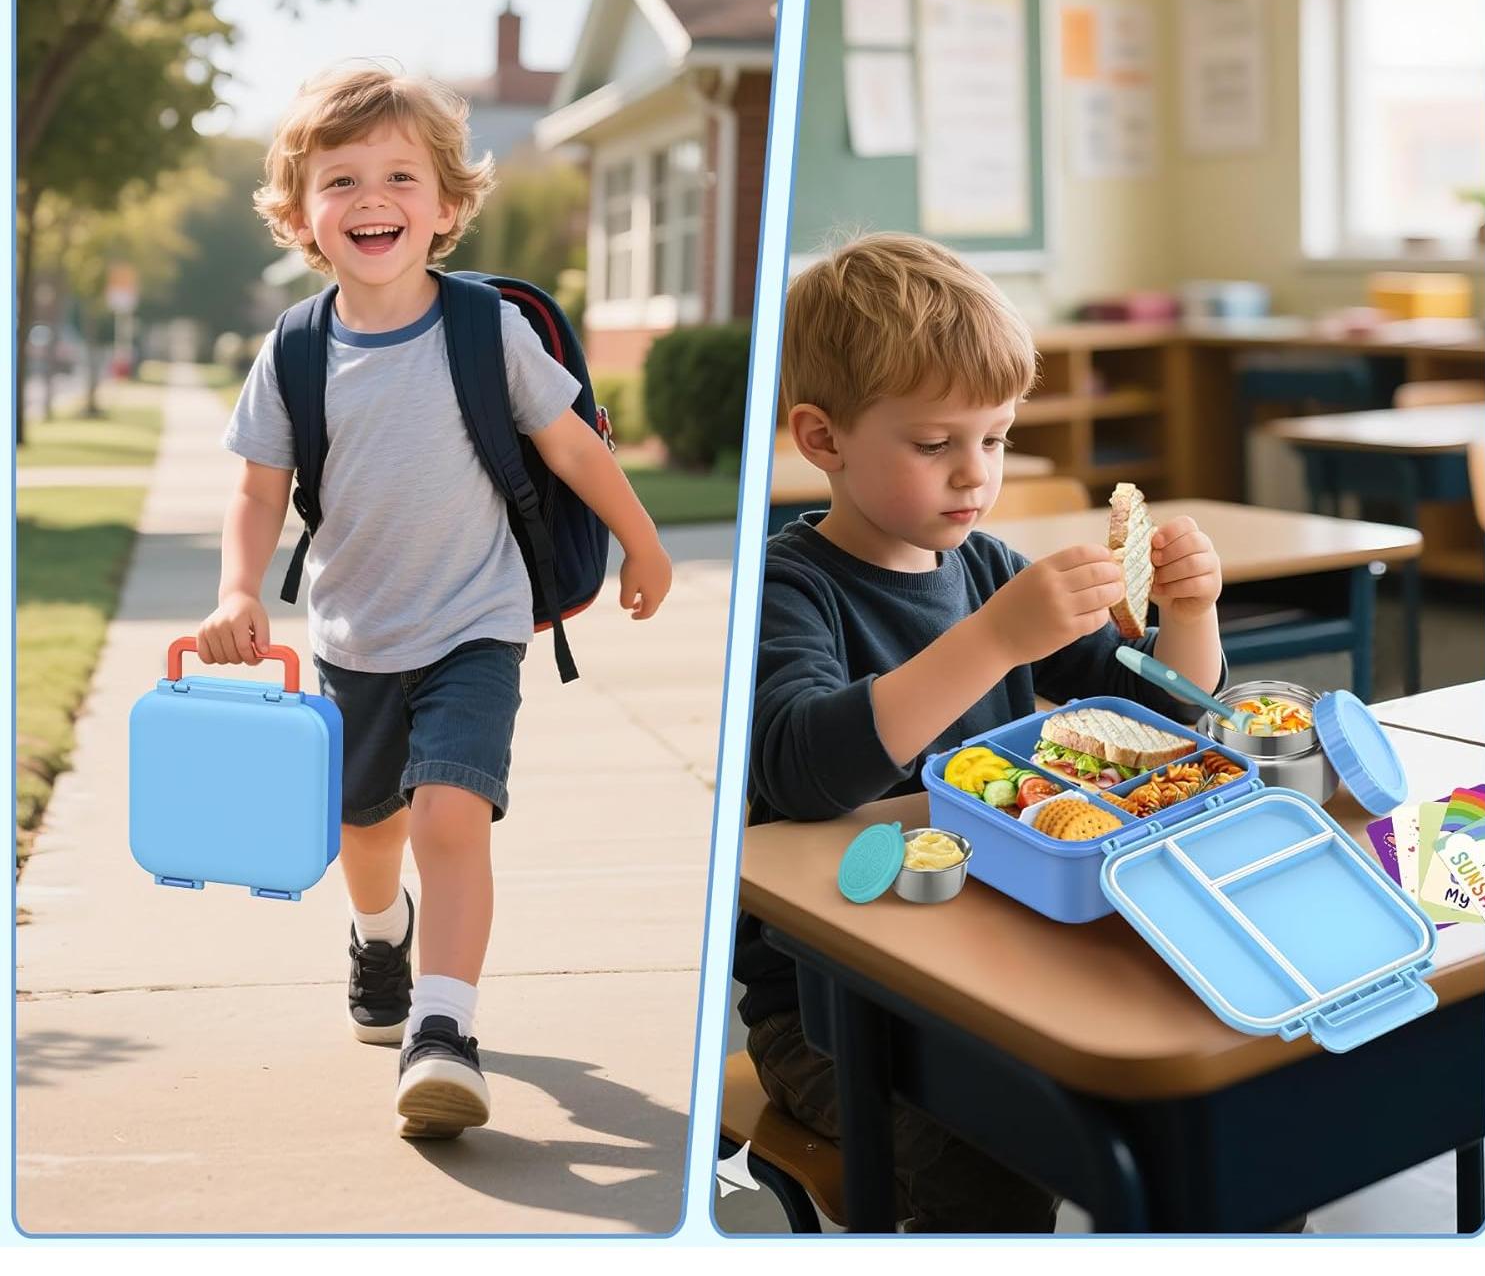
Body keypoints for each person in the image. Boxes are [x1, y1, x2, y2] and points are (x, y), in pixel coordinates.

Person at [198, 65, 673, 1138]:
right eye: (342, 179)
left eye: (401, 175)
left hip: (476, 624)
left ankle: (444, 1029)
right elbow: (258, 487)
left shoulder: (483, 328)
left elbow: (573, 448)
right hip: (354, 633)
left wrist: (642, 541)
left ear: (447, 205)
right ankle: (380, 934)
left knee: (450, 814)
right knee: (364, 828)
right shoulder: (295, 350)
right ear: (302, 214)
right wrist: (238, 587)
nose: (373, 198)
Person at [735, 233, 1226, 1231]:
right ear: (821, 438)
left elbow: (1163, 716)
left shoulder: (989, 565)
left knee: (1207, 1119)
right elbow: (806, 774)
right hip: (835, 1013)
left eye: (995, 439)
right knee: (992, 1168)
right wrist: (995, 640)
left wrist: (1191, 611)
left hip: (997, 958)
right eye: (934, 444)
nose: (975, 474)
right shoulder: (788, 588)